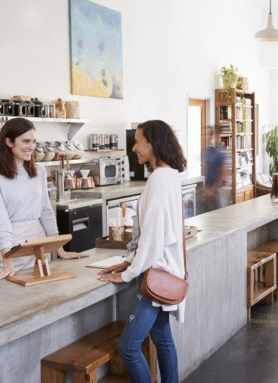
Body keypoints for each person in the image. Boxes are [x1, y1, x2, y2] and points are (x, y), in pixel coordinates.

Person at [97, 120, 186, 383]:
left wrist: (129, 272)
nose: (134, 148)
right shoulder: (170, 175)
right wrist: (128, 261)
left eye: (138, 141)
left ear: (154, 143)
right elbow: (155, 233)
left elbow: (152, 237)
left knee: (129, 348)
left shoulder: (159, 179)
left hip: (153, 275)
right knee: (162, 339)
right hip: (165, 271)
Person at [0, 118, 88, 281]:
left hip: (38, 247)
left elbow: (46, 211)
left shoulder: (39, 171)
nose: (31, 147)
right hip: (11, 247)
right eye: (26, 141)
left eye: (33, 141)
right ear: (9, 142)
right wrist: (7, 257)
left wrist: (60, 249)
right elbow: (1, 220)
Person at [202, 126, 225, 212]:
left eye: (206, 134)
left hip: (216, 191)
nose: (203, 136)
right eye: (203, 134)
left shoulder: (218, 152)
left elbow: (222, 175)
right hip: (206, 190)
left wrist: (211, 191)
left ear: (211, 135)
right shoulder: (203, 151)